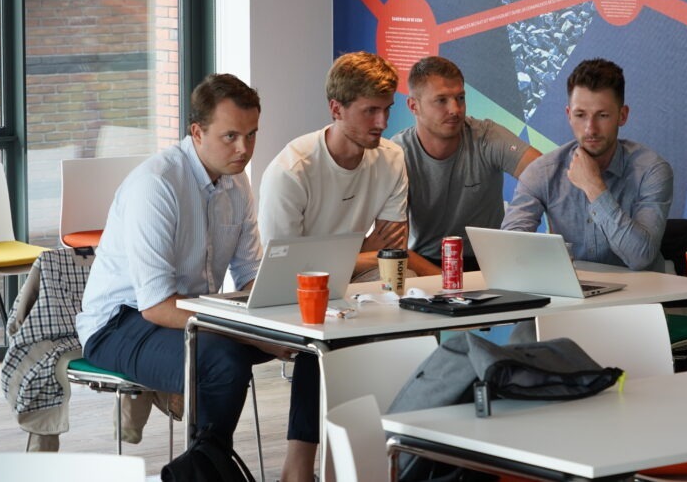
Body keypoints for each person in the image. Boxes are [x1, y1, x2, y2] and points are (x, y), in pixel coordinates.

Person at [75, 74, 312, 475]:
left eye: (252, 135)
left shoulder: (237, 182)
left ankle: (296, 469)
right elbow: (155, 306)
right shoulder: (157, 184)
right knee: (221, 360)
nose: (244, 149)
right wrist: (255, 335)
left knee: (312, 342)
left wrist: (279, 323)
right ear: (197, 132)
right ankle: (203, 471)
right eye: (231, 136)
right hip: (120, 324)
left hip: (196, 316)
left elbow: (251, 274)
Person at [259, 51, 440, 280]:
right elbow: (282, 268)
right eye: (370, 111)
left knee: (402, 277)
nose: (382, 122)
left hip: (355, 277)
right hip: (298, 288)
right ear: (336, 110)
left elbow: (393, 253)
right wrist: (365, 254)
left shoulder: (392, 158)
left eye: (387, 109)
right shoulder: (291, 171)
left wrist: (354, 259)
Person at [502, 58, 673, 271]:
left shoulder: (651, 170)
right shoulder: (543, 172)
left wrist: (594, 187)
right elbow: (509, 249)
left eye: (602, 115)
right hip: (573, 295)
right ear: (568, 116)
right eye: (580, 115)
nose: (590, 129)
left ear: (622, 115)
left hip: (642, 300)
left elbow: (640, 258)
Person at [392, 56, 540, 269]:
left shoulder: (487, 136)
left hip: (491, 264)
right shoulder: (397, 153)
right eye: (441, 100)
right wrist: (447, 282)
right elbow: (394, 246)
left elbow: (547, 176)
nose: (455, 109)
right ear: (413, 106)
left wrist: (518, 226)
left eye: (460, 98)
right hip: (422, 265)